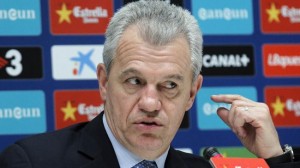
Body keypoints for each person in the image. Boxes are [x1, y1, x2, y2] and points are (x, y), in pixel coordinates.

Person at [0, 1, 299, 168]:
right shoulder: (32, 162)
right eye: (134, 81)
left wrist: (275, 158)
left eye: (169, 85)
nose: (150, 103)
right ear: (104, 82)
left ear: (192, 93)